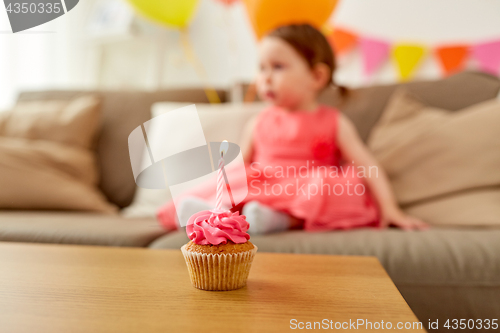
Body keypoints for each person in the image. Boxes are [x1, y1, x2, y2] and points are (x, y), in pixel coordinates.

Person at [157, 24, 428, 233]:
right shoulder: (259, 121)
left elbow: (368, 165)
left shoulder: (333, 121)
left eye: (277, 66)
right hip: (266, 185)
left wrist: (392, 210)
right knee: (234, 183)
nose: (265, 77)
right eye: (261, 68)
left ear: (316, 76)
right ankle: (214, 215)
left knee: (332, 184)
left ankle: (279, 220)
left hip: (307, 186)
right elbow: (241, 169)